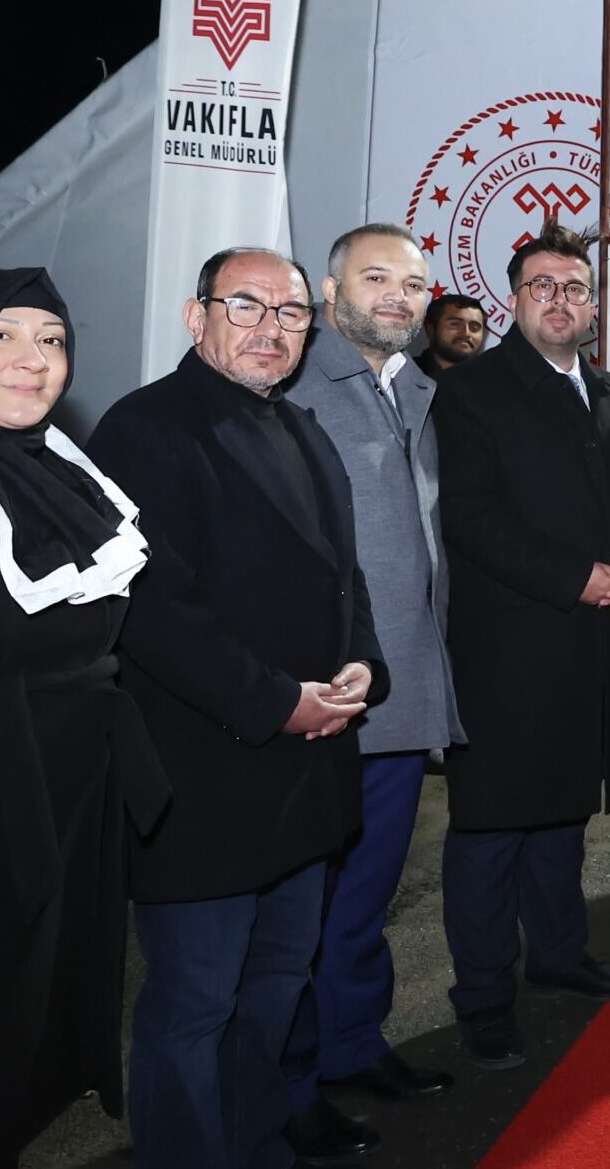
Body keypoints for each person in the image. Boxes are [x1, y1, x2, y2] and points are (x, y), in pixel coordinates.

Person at [86, 247, 384, 1169]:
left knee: (273, 989)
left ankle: (260, 1148)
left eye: (292, 314)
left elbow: (345, 577)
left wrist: (362, 666)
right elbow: (152, 611)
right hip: (204, 776)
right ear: (195, 315)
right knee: (194, 1005)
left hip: (303, 772)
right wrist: (274, 703)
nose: (271, 330)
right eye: (246, 306)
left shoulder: (302, 429)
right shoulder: (142, 430)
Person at [0, 268, 165, 1166]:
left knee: (14, 1064)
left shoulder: (53, 464)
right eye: (3, 337)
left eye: (52, 341)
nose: (35, 362)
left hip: (59, 807)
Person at [432, 224, 610, 1071]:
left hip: (594, 644)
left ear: (593, 304)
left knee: (564, 812)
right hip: (508, 647)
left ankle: (559, 955)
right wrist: (576, 578)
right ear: (514, 301)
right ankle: (484, 998)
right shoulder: (471, 392)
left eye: (574, 288)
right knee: (491, 826)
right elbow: (472, 516)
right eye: (543, 287)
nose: (561, 300)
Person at [281, 224, 463, 1157]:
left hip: (401, 688)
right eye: (377, 278)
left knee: (368, 893)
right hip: (327, 694)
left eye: (414, 283)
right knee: (303, 908)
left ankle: (353, 1045)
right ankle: (292, 1079)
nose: (398, 295)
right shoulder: (292, 388)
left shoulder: (417, 388)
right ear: (327, 286)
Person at [416, 293, 487, 377]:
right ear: (430, 329)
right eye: (455, 324)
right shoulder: (402, 374)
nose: (466, 333)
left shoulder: (493, 382)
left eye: (474, 327)